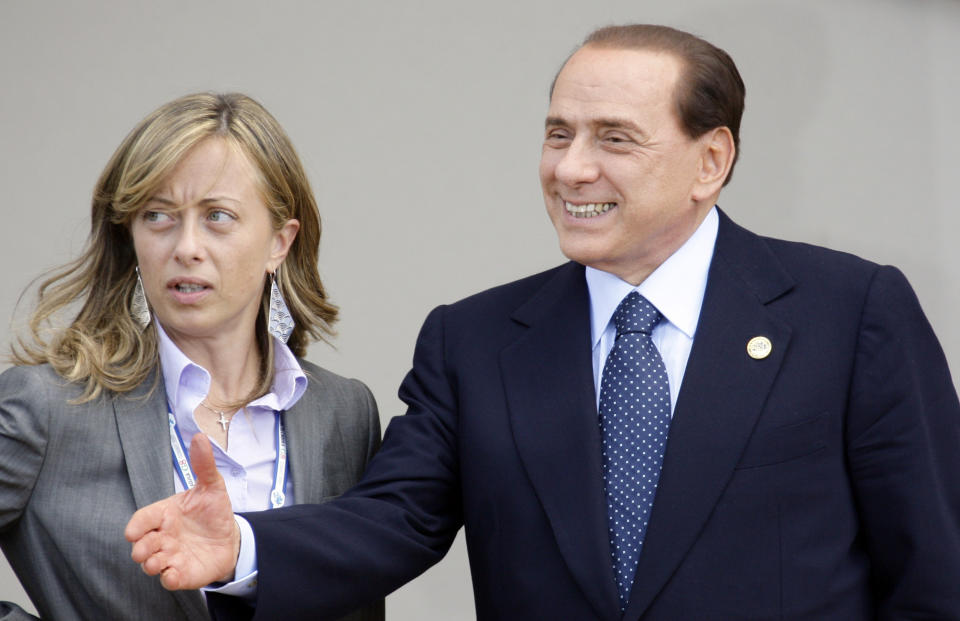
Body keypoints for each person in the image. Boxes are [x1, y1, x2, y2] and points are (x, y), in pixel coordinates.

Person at [127, 26, 960, 620]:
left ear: (712, 160)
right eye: (558, 132)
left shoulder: (849, 314)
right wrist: (241, 545)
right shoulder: (477, 341)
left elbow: (934, 570)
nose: (570, 167)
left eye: (614, 138)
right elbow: (397, 516)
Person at [0, 93, 383, 621]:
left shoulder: (344, 413)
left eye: (218, 216)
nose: (186, 247)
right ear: (130, 236)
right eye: (158, 216)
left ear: (280, 241)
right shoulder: (47, 406)